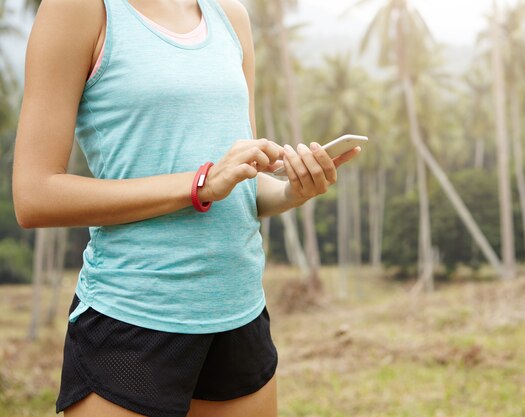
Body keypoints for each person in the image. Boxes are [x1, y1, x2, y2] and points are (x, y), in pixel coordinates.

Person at [11, 0, 361, 416]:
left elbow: (240, 182)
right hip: (133, 320)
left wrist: (292, 192)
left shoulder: (231, 16)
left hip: (239, 315)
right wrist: (200, 183)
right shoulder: (80, 9)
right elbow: (34, 195)